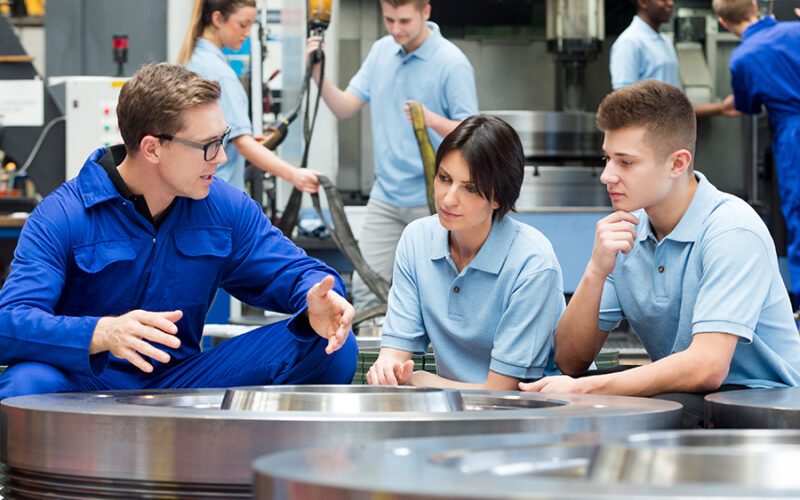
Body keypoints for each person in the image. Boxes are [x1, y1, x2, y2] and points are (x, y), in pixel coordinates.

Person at [0, 63, 357, 400]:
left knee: (329, 344)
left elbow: (295, 272)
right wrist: (101, 333)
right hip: (87, 382)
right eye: (207, 146)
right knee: (25, 385)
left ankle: (260, 460)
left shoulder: (224, 208)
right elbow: (9, 323)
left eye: (223, 139)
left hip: (183, 382)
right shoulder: (63, 215)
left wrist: (320, 298)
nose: (221, 158)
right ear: (152, 148)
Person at [520, 80, 800, 428]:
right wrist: (595, 270)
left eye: (626, 162)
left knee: (621, 411)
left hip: (763, 404)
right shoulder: (628, 230)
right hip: (692, 396)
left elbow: (707, 367)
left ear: (677, 163)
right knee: (582, 404)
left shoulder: (731, 229)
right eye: (607, 158)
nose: (607, 175)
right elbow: (570, 360)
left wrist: (587, 389)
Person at [366, 115, 563, 390]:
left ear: (498, 197)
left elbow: (503, 392)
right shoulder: (416, 239)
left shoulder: (532, 263)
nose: (448, 199)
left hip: (533, 416)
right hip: (453, 411)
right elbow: (396, 352)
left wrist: (426, 383)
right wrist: (387, 369)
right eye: (444, 178)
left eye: (469, 188)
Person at [306, 0, 479, 311]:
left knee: (439, 294)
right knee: (366, 289)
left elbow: (474, 133)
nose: (396, 29)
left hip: (436, 201)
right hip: (384, 197)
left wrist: (431, 119)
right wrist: (318, 74)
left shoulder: (452, 63)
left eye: (404, 20)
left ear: (425, 12)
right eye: (389, 20)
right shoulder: (381, 51)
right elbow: (344, 107)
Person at [177, 0, 319, 194]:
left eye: (251, 25)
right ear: (217, 18)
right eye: (243, 24)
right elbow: (242, 143)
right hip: (218, 190)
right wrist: (295, 175)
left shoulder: (192, 60)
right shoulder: (220, 73)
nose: (247, 33)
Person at [712, 0, 800, 306]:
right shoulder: (796, 31)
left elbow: (745, 106)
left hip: (794, 136)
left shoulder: (743, 58)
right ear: (754, 6)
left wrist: (723, 105)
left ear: (723, 22)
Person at [611, 0, 738, 117]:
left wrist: (721, 108)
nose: (671, 3)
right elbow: (625, 106)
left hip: (672, 136)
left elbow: (676, 106)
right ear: (643, 2)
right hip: (650, 139)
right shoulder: (629, 42)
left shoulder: (665, 42)